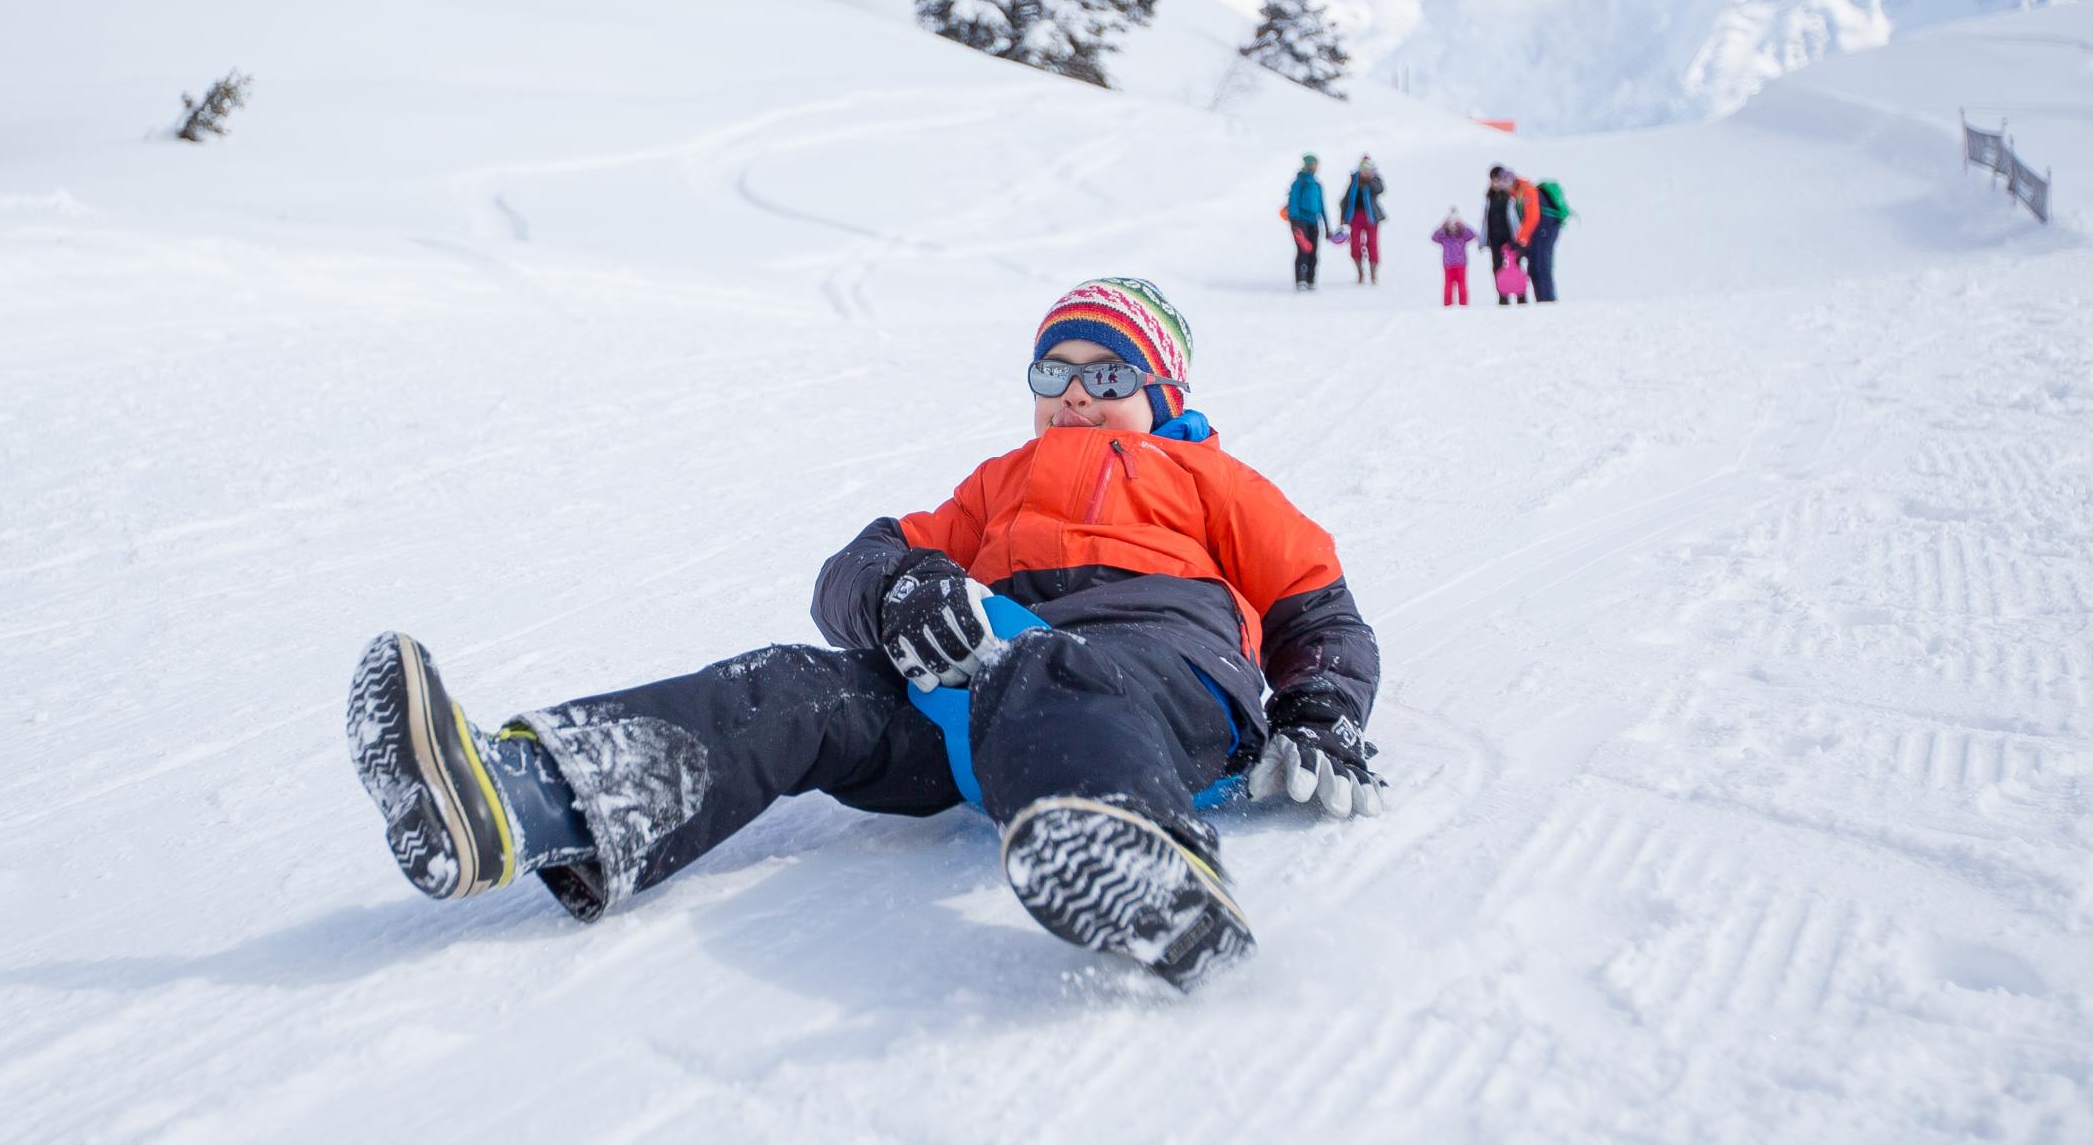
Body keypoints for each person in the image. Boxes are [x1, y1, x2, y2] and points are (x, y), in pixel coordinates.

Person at [344, 278, 1384, 991]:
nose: (1074, 394)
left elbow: (1317, 611)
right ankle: (523, 799)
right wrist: (900, 593)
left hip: (1159, 686)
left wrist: (1321, 713)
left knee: (1059, 668)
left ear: (1161, 395)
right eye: (1051, 372)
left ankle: (1141, 861)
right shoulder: (995, 484)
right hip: (983, 697)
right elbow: (857, 562)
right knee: (796, 688)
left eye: (1107, 377)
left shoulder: (1206, 477)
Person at [1285, 154, 1329, 290]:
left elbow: (1322, 206)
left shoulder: (1317, 185)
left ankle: (1311, 279)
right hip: (1300, 221)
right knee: (1304, 249)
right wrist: (1296, 222)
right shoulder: (1299, 182)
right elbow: (1293, 203)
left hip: (1313, 221)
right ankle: (1301, 279)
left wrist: (1327, 226)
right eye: (1314, 164)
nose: (1315, 167)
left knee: (1314, 251)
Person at [1483, 166, 1525, 306]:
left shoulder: (1510, 196)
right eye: (1493, 180)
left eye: (1498, 179)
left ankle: (1521, 296)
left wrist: (1518, 238)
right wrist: (1484, 239)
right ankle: (1503, 297)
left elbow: (1514, 219)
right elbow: (1485, 220)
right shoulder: (1489, 197)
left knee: (1515, 266)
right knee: (1497, 268)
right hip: (1495, 240)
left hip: (1510, 239)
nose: (1496, 182)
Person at [1340, 156, 1386, 285]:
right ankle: (1359, 271)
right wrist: (1343, 217)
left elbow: (1380, 189)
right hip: (1355, 217)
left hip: (1371, 217)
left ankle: (1373, 273)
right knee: (1355, 244)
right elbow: (1346, 200)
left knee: (1372, 244)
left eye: (1367, 169)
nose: (1364, 172)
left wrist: (1370, 180)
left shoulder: (1374, 179)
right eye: (1362, 169)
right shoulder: (1354, 181)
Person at [1524, 178, 1572, 303]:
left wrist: (1521, 239)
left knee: (1540, 267)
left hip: (1543, 230)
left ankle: (1546, 301)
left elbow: (1532, 217)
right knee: (1540, 266)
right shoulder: (1527, 191)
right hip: (1545, 230)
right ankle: (1545, 300)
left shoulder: (1526, 192)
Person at [1431, 207, 1479, 307]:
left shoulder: (1462, 235)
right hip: (1448, 264)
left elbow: (1473, 235)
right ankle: (1448, 305)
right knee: (1448, 286)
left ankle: (1463, 304)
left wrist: (1462, 225)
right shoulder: (1445, 237)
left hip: (1460, 264)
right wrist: (1444, 226)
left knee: (1461, 285)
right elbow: (1434, 237)